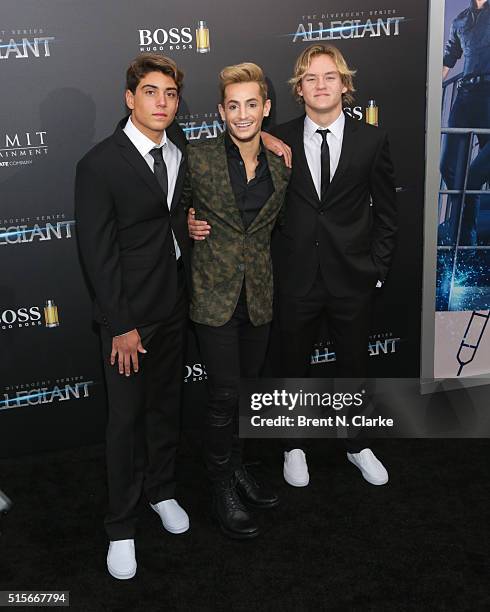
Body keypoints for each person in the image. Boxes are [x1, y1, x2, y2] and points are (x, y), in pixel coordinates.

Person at [189, 44, 397, 489]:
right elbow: (228, 175)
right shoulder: (273, 137)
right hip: (293, 276)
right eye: (310, 78)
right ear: (298, 89)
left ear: (345, 84)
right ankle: (293, 446)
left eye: (329, 77)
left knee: (354, 367)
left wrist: (376, 268)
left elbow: (388, 212)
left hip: (352, 277)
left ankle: (357, 444)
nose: (320, 85)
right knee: (290, 366)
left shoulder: (372, 139)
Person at [75, 53, 191, 580]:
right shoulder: (99, 164)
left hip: (173, 307)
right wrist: (120, 325)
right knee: (124, 423)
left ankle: (161, 492)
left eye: (169, 93)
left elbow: (167, 220)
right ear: (130, 98)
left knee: (166, 407)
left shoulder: (180, 150)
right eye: (150, 91)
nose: (161, 102)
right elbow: (96, 255)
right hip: (128, 322)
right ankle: (120, 527)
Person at [184, 63, 290, 539]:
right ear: (221, 111)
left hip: (260, 296)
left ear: (266, 109)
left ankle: (241, 469)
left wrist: (267, 143)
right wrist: (185, 225)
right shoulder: (198, 155)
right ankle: (220, 485)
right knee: (224, 396)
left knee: (245, 392)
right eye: (233, 105)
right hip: (213, 296)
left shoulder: (282, 162)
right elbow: (170, 207)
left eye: (252, 104)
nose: (243, 114)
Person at [440, 0, 490, 246]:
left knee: (475, 175)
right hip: (465, 96)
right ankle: (464, 235)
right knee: (448, 167)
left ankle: (467, 237)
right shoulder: (460, 19)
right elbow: (449, 58)